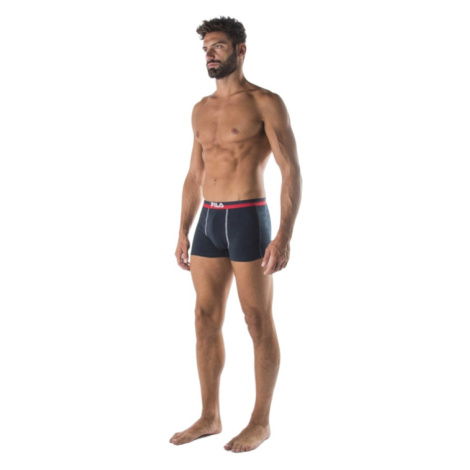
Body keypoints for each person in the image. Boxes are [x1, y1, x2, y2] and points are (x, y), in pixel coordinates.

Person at [171, 16, 302, 453]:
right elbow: (194, 175)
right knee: (204, 317)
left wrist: (284, 235)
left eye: (219, 47)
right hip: (208, 220)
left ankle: (260, 422)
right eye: (206, 48)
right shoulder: (200, 109)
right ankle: (210, 415)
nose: (210, 55)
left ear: (240, 50)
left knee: (256, 319)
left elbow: (290, 169)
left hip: (248, 218)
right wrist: (182, 230)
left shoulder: (265, 102)